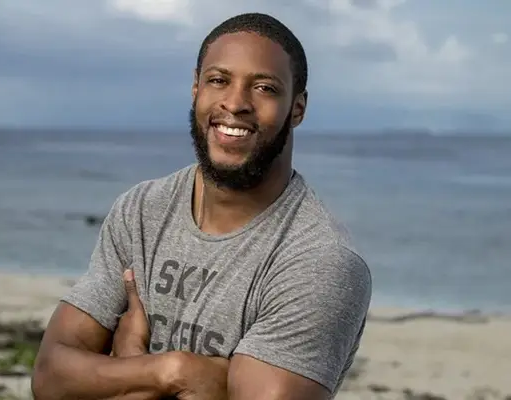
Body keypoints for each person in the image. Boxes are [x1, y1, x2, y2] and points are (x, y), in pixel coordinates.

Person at [31, 11, 372, 400]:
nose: (235, 103)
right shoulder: (141, 211)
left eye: (264, 88)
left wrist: (125, 368)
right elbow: (49, 378)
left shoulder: (320, 261)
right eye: (218, 80)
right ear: (196, 88)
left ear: (297, 108)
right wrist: (173, 371)